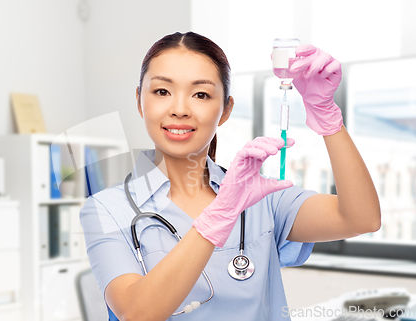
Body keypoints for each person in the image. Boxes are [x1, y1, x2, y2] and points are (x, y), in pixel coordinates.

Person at [79, 31, 381, 320]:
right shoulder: (105, 209)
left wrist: (327, 117)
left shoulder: (259, 195)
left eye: (200, 94)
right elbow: (137, 313)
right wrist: (220, 214)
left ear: (225, 109)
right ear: (139, 100)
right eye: (162, 91)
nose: (180, 109)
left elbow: (361, 218)